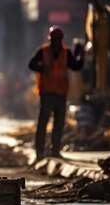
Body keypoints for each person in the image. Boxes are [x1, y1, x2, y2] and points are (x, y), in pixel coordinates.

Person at [28, 26, 84, 160]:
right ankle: (40, 151)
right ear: (51, 39)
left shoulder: (66, 53)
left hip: (60, 93)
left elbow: (76, 66)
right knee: (43, 123)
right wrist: (41, 67)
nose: (57, 42)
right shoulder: (43, 51)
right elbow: (31, 65)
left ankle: (55, 150)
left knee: (59, 124)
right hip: (47, 93)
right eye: (55, 39)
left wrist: (80, 53)